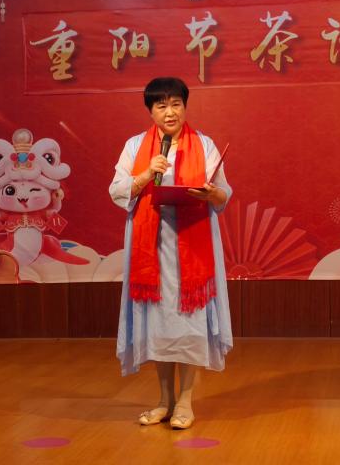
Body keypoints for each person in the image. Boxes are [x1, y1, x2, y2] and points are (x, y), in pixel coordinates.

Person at [108, 76, 233, 429]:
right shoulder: (135, 146)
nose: (170, 112)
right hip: (152, 247)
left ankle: (186, 403)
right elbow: (117, 190)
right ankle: (164, 400)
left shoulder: (204, 144)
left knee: (189, 325)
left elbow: (223, 194)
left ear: (185, 107)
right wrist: (147, 173)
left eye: (176, 104)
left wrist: (209, 193)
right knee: (159, 326)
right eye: (161, 105)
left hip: (193, 246)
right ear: (150, 111)